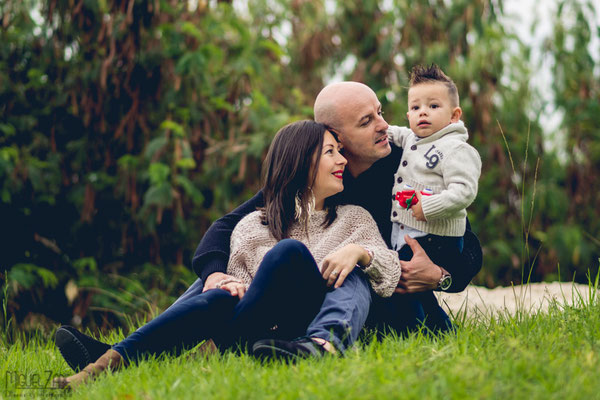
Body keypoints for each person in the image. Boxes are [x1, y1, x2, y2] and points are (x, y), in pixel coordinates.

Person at [55, 78, 483, 369]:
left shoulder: (401, 168)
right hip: (320, 295)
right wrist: (216, 274)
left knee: (350, 270)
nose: (385, 126)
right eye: (367, 121)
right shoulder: (314, 180)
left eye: (380, 112)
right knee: (225, 268)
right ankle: (119, 354)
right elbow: (229, 227)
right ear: (330, 134)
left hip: (391, 300)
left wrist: (442, 276)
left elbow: (468, 241)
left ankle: (319, 346)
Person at [53, 120, 401, 388]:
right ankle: (101, 367)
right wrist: (223, 281)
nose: (342, 160)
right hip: (256, 329)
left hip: (311, 318)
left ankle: (322, 346)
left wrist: (358, 251)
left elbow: (388, 271)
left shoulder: (354, 218)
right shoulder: (253, 225)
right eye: (330, 152)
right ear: (300, 161)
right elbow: (241, 289)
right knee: (220, 296)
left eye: (340, 151)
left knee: (332, 263)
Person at [386, 64, 481, 284]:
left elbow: (465, 191)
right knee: (407, 286)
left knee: (405, 282)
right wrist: (376, 126)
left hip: (437, 237)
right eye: (416, 107)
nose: (423, 112)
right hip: (412, 231)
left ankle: (422, 319)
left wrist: (429, 207)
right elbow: (393, 131)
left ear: (454, 115)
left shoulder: (455, 148)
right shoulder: (412, 138)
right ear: (408, 114)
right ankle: (432, 320)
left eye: (433, 105)